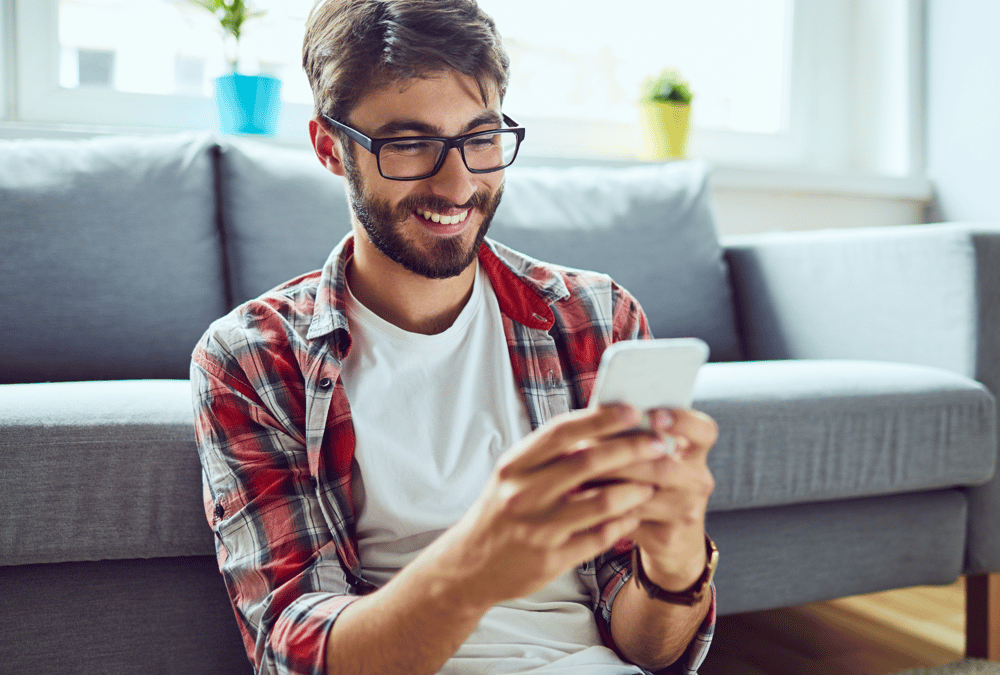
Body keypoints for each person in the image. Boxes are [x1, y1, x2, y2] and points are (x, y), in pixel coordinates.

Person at [190, 1, 719, 673]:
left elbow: (650, 647)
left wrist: (675, 562)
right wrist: (479, 562)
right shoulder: (252, 358)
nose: (459, 182)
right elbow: (296, 652)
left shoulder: (596, 319)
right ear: (330, 148)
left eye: (481, 136)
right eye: (409, 144)